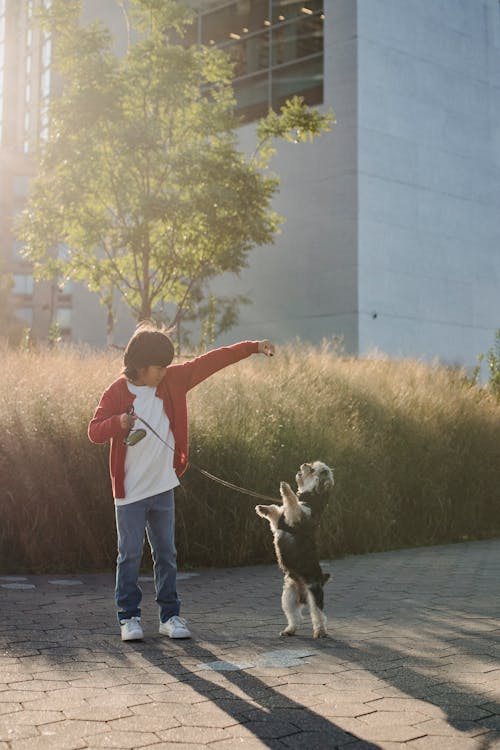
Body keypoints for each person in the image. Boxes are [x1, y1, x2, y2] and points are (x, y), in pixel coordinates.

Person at [88, 321, 275, 642]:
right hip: (130, 492)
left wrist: (253, 347)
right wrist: (118, 422)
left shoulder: (174, 380)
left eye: (166, 367)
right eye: (158, 367)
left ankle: (170, 616)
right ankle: (129, 617)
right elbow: (94, 431)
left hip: (162, 488)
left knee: (166, 554)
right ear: (140, 366)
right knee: (129, 554)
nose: (163, 372)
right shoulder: (117, 392)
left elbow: (212, 361)